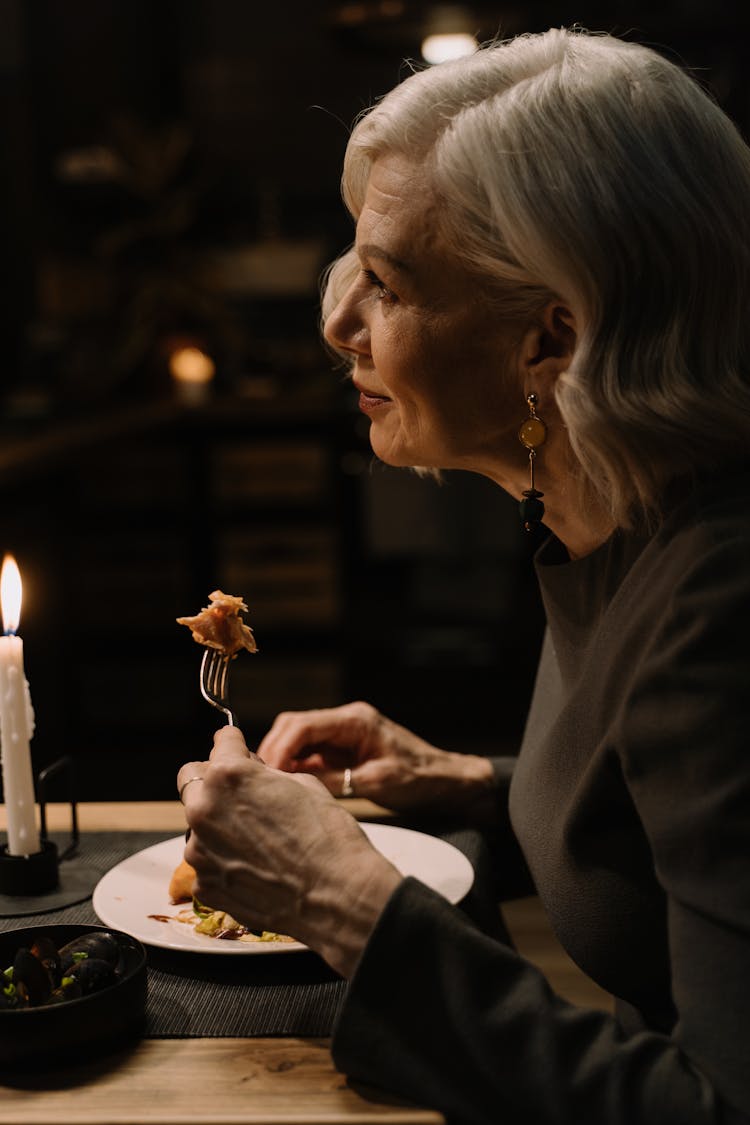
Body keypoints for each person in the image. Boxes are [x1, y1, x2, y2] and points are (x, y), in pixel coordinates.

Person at [177, 27, 750, 1124]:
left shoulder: (725, 604)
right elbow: (680, 812)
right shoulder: (610, 521)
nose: (338, 321)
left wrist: (345, 902)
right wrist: (476, 781)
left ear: (553, 341)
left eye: (386, 283)